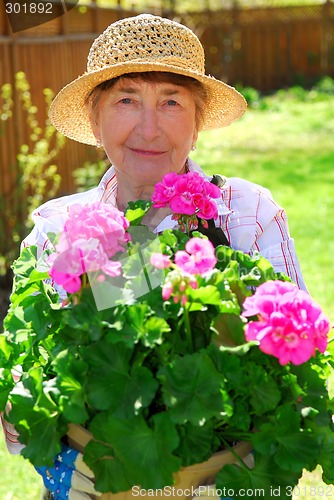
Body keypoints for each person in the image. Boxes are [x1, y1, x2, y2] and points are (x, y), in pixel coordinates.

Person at [1, 13, 307, 499]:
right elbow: (20, 401)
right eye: (126, 100)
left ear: (198, 121)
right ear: (96, 121)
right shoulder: (55, 228)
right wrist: (60, 445)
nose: (149, 127)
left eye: (171, 101)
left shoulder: (248, 213)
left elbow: (295, 369)